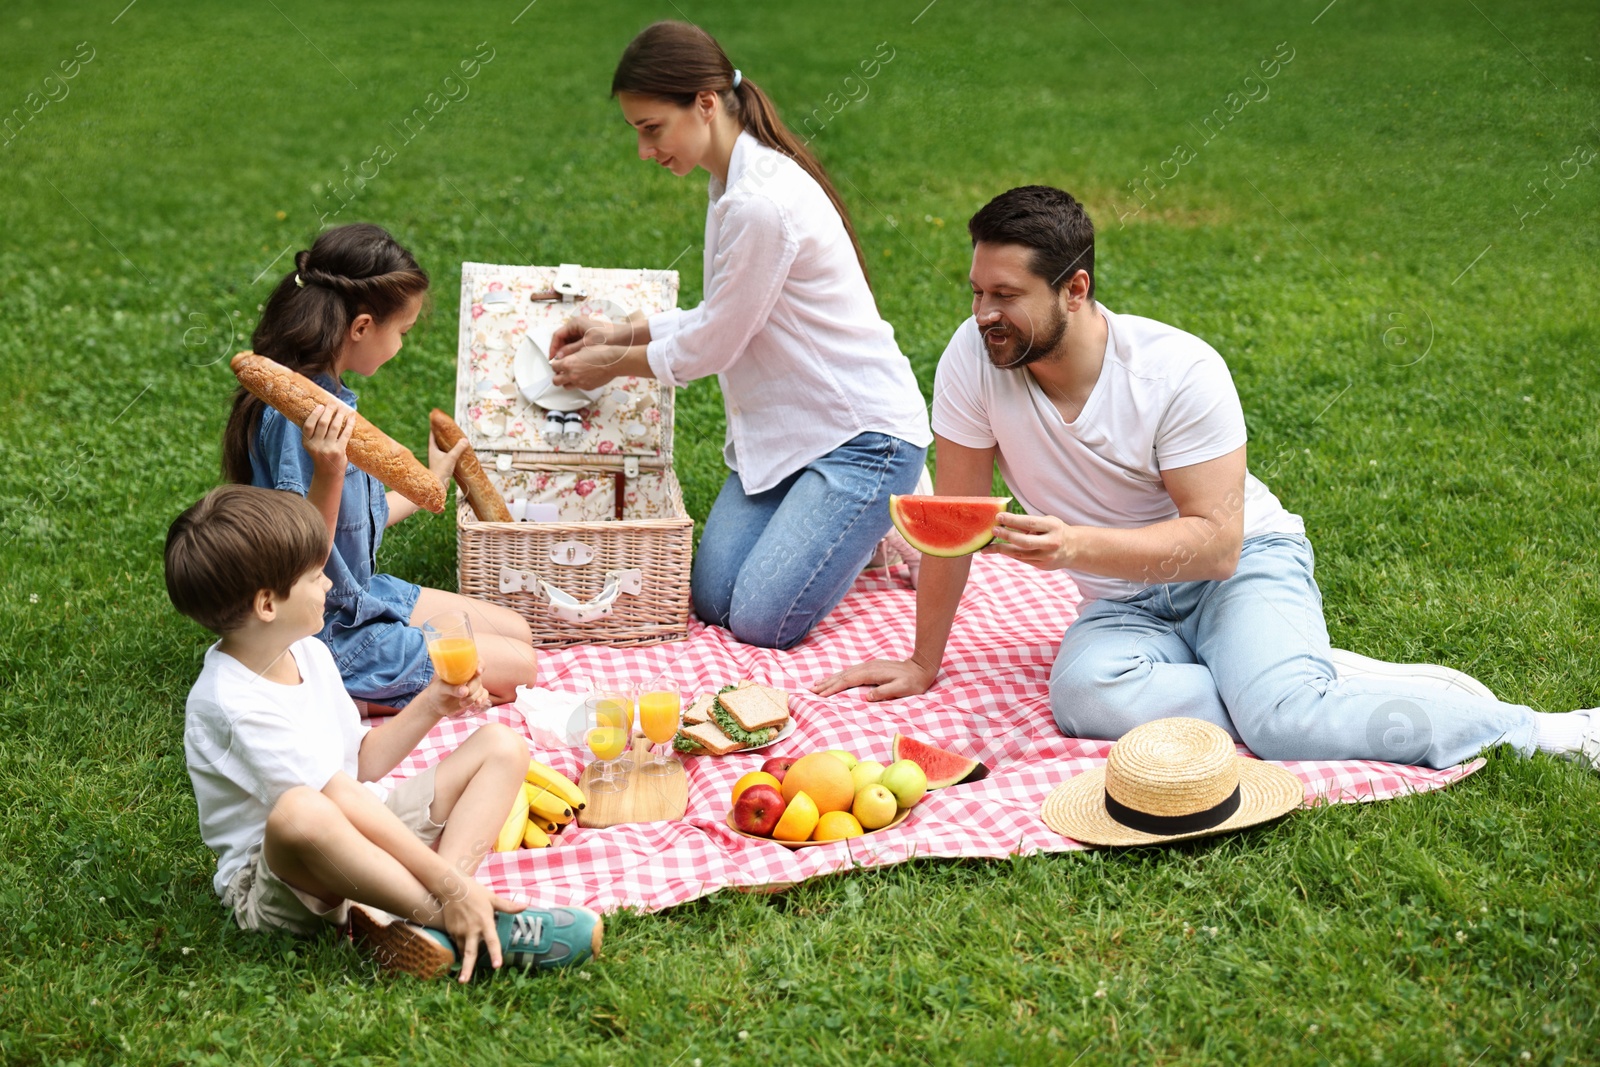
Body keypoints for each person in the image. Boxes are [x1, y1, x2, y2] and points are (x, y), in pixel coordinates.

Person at [816, 186, 1599, 772]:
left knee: (1286, 725)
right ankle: (1282, 676)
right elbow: (956, 514)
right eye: (978, 292)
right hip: (1125, 602)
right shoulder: (974, 356)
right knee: (1084, 699)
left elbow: (1218, 544)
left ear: (1076, 290)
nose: (984, 313)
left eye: (1006, 296)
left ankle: (1535, 728)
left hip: (1242, 569)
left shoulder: (1177, 371)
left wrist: (1073, 546)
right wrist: (924, 660)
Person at [546, 21, 932, 650]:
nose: (645, 150)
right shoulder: (726, 183)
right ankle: (837, 528)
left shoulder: (761, 202)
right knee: (713, 597)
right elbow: (723, 314)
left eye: (651, 129)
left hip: (863, 439)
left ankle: (880, 517)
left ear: (704, 103)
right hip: (790, 438)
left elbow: (712, 347)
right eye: (636, 131)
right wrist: (620, 329)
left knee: (761, 622)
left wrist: (611, 362)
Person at [165, 485, 601, 981]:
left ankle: (427, 919)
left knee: (502, 746)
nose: (330, 584)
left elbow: (362, 763)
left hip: (360, 839)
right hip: (284, 885)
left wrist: (433, 702)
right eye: (314, 576)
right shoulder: (229, 701)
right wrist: (449, 889)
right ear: (268, 604)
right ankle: (464, 917)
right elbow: (337, 800)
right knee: (299, 811)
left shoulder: (305, 650)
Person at [221, 222, 537, 706]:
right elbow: (301, 560)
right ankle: (347, 696)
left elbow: (356, 527)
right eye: (403, 331)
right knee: (520, 670)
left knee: (517, 633)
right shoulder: (297, 425)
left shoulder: (325, 401)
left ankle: (380, 688)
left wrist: (432, 481)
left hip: (361, 596)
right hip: (324, 633)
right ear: (363, 327)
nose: (403, 345)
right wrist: (328, 471)